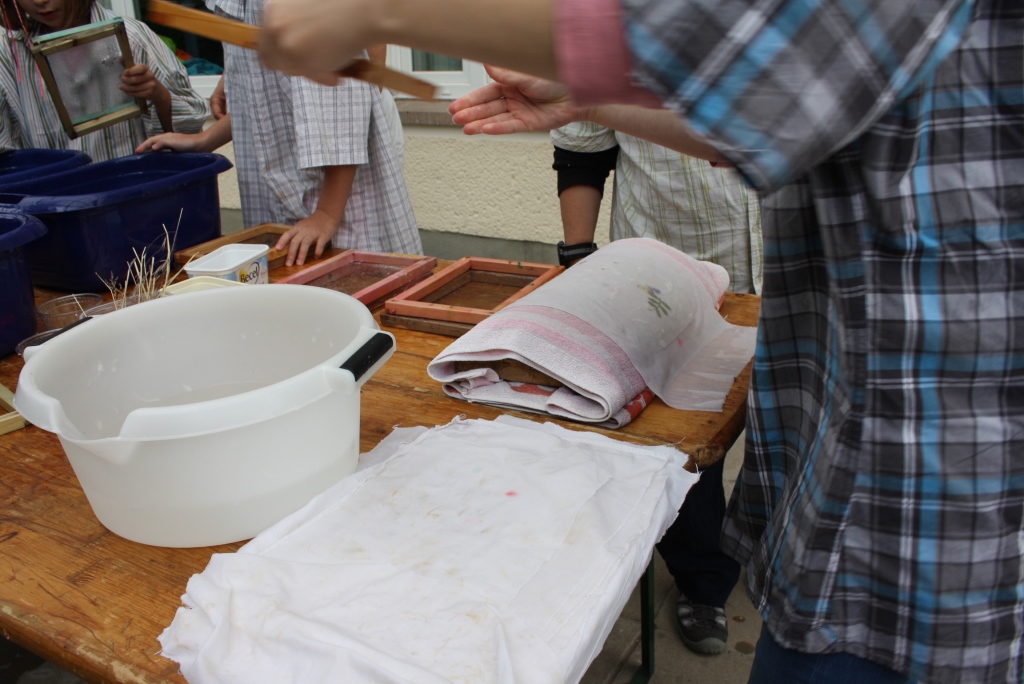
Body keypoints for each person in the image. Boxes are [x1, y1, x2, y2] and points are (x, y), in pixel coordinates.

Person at [256, 1, 1024, 683]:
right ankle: (704, 571)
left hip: (920, 521)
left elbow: (722, 48)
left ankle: (703, 583)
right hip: (859, 457)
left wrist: (380, 10)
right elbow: (752, 102)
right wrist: (590, 102)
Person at [553, 121, 761, 654]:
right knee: (685, 435)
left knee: (788, 424)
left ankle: (771, 551)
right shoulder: (607, 66)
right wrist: (578, 259)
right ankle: (702, 580)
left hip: (798, 264)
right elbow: (581, 150)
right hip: (670, 273)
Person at [137, 0, 420, 268]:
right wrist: (205, 139)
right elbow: (263, 103)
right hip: (294, 194)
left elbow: (344, 104)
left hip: (336, 193)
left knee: (358, 279)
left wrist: (326, 214)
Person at [0, 0, 209, 161]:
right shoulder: (10, 52)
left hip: (133, 191)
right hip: (55, 198)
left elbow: (190, 135)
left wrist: (160, 96)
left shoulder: (131, 38)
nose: (39, 2)